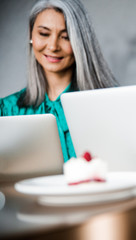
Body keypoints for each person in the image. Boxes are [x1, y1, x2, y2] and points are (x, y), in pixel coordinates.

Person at [0, 0, 117, 162]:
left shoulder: (110, 104)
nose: (53, 46)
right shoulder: (7, 111)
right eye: (44, 34)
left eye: (65, 37)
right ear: (30, 35)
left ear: (80, 43)